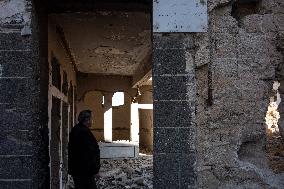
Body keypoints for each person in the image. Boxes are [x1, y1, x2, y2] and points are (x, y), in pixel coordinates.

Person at [68, 110, 100, 189]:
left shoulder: (76, 129)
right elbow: (89, 153)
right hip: (85, 171)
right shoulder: (84, 132)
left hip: (78, 169)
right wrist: (95, 170)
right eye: (91, 118)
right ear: (87, 120)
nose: (92, 121)